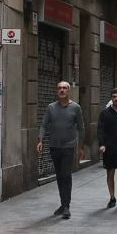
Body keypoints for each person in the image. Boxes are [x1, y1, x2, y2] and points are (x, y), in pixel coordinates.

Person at [37, 81, 85, 219]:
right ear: (56, 91)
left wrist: (81, 147)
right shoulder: (51, 108)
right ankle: (63, 204)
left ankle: (66, 206)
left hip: (69, 147)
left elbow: (81, 127)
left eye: (64, 88)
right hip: (54, 146)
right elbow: (43, 125)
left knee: (66, 175)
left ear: (69, 91)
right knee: (59, 176)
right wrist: (40, 140)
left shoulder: (76, 107)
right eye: (59, 88)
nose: (62, 90)